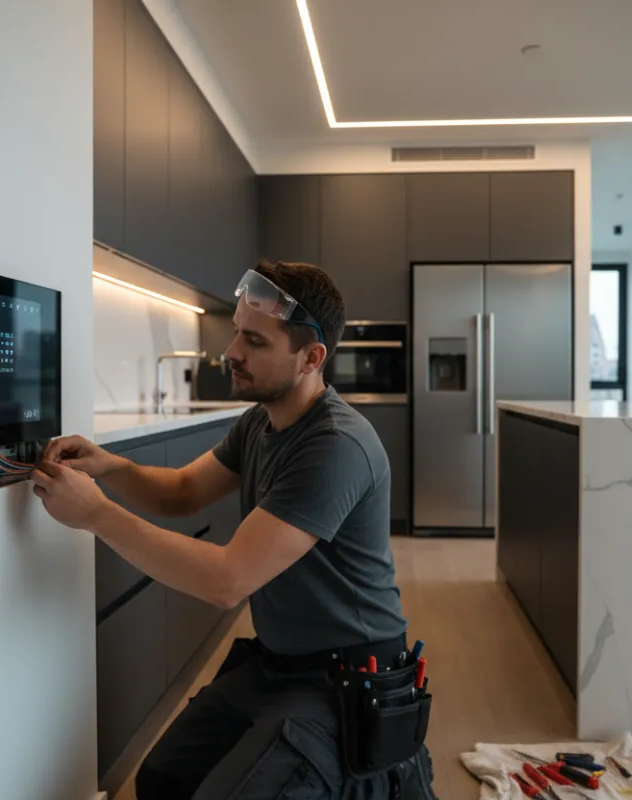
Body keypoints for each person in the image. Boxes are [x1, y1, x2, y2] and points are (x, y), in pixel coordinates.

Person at [31, 261, 436, 799]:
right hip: (277, 663)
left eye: (254, 340)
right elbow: (181, 492)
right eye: (235, 332)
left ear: (312, 358)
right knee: (161, 779)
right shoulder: (260, 422)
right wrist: (113, 467)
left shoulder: (335, 445)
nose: (232, 352)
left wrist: (96, 514)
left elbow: (227, 580)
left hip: (346, 679)